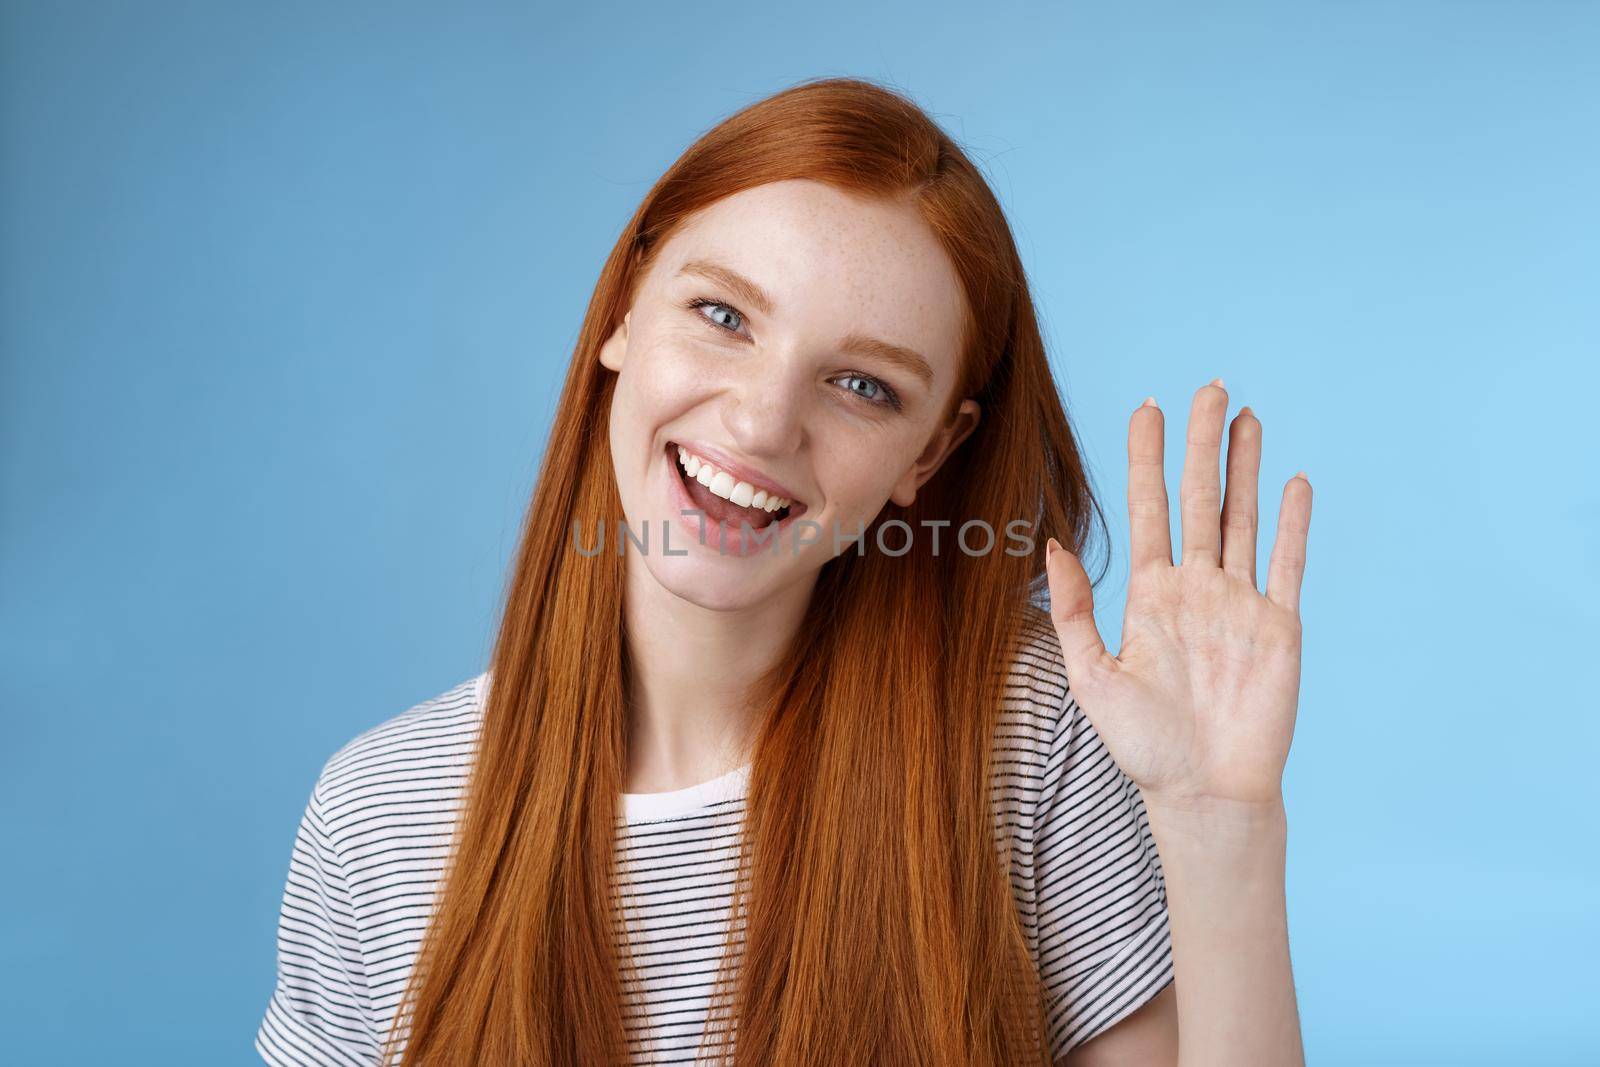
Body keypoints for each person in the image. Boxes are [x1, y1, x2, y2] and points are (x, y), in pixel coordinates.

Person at [256, 76, 1310, 1066]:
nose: (762, 422)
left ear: (929, 455)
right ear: (625, 310)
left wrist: (1225, 826)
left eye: (861, 384)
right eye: (722, 316)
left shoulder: (1030, 737)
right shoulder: (380, 815)